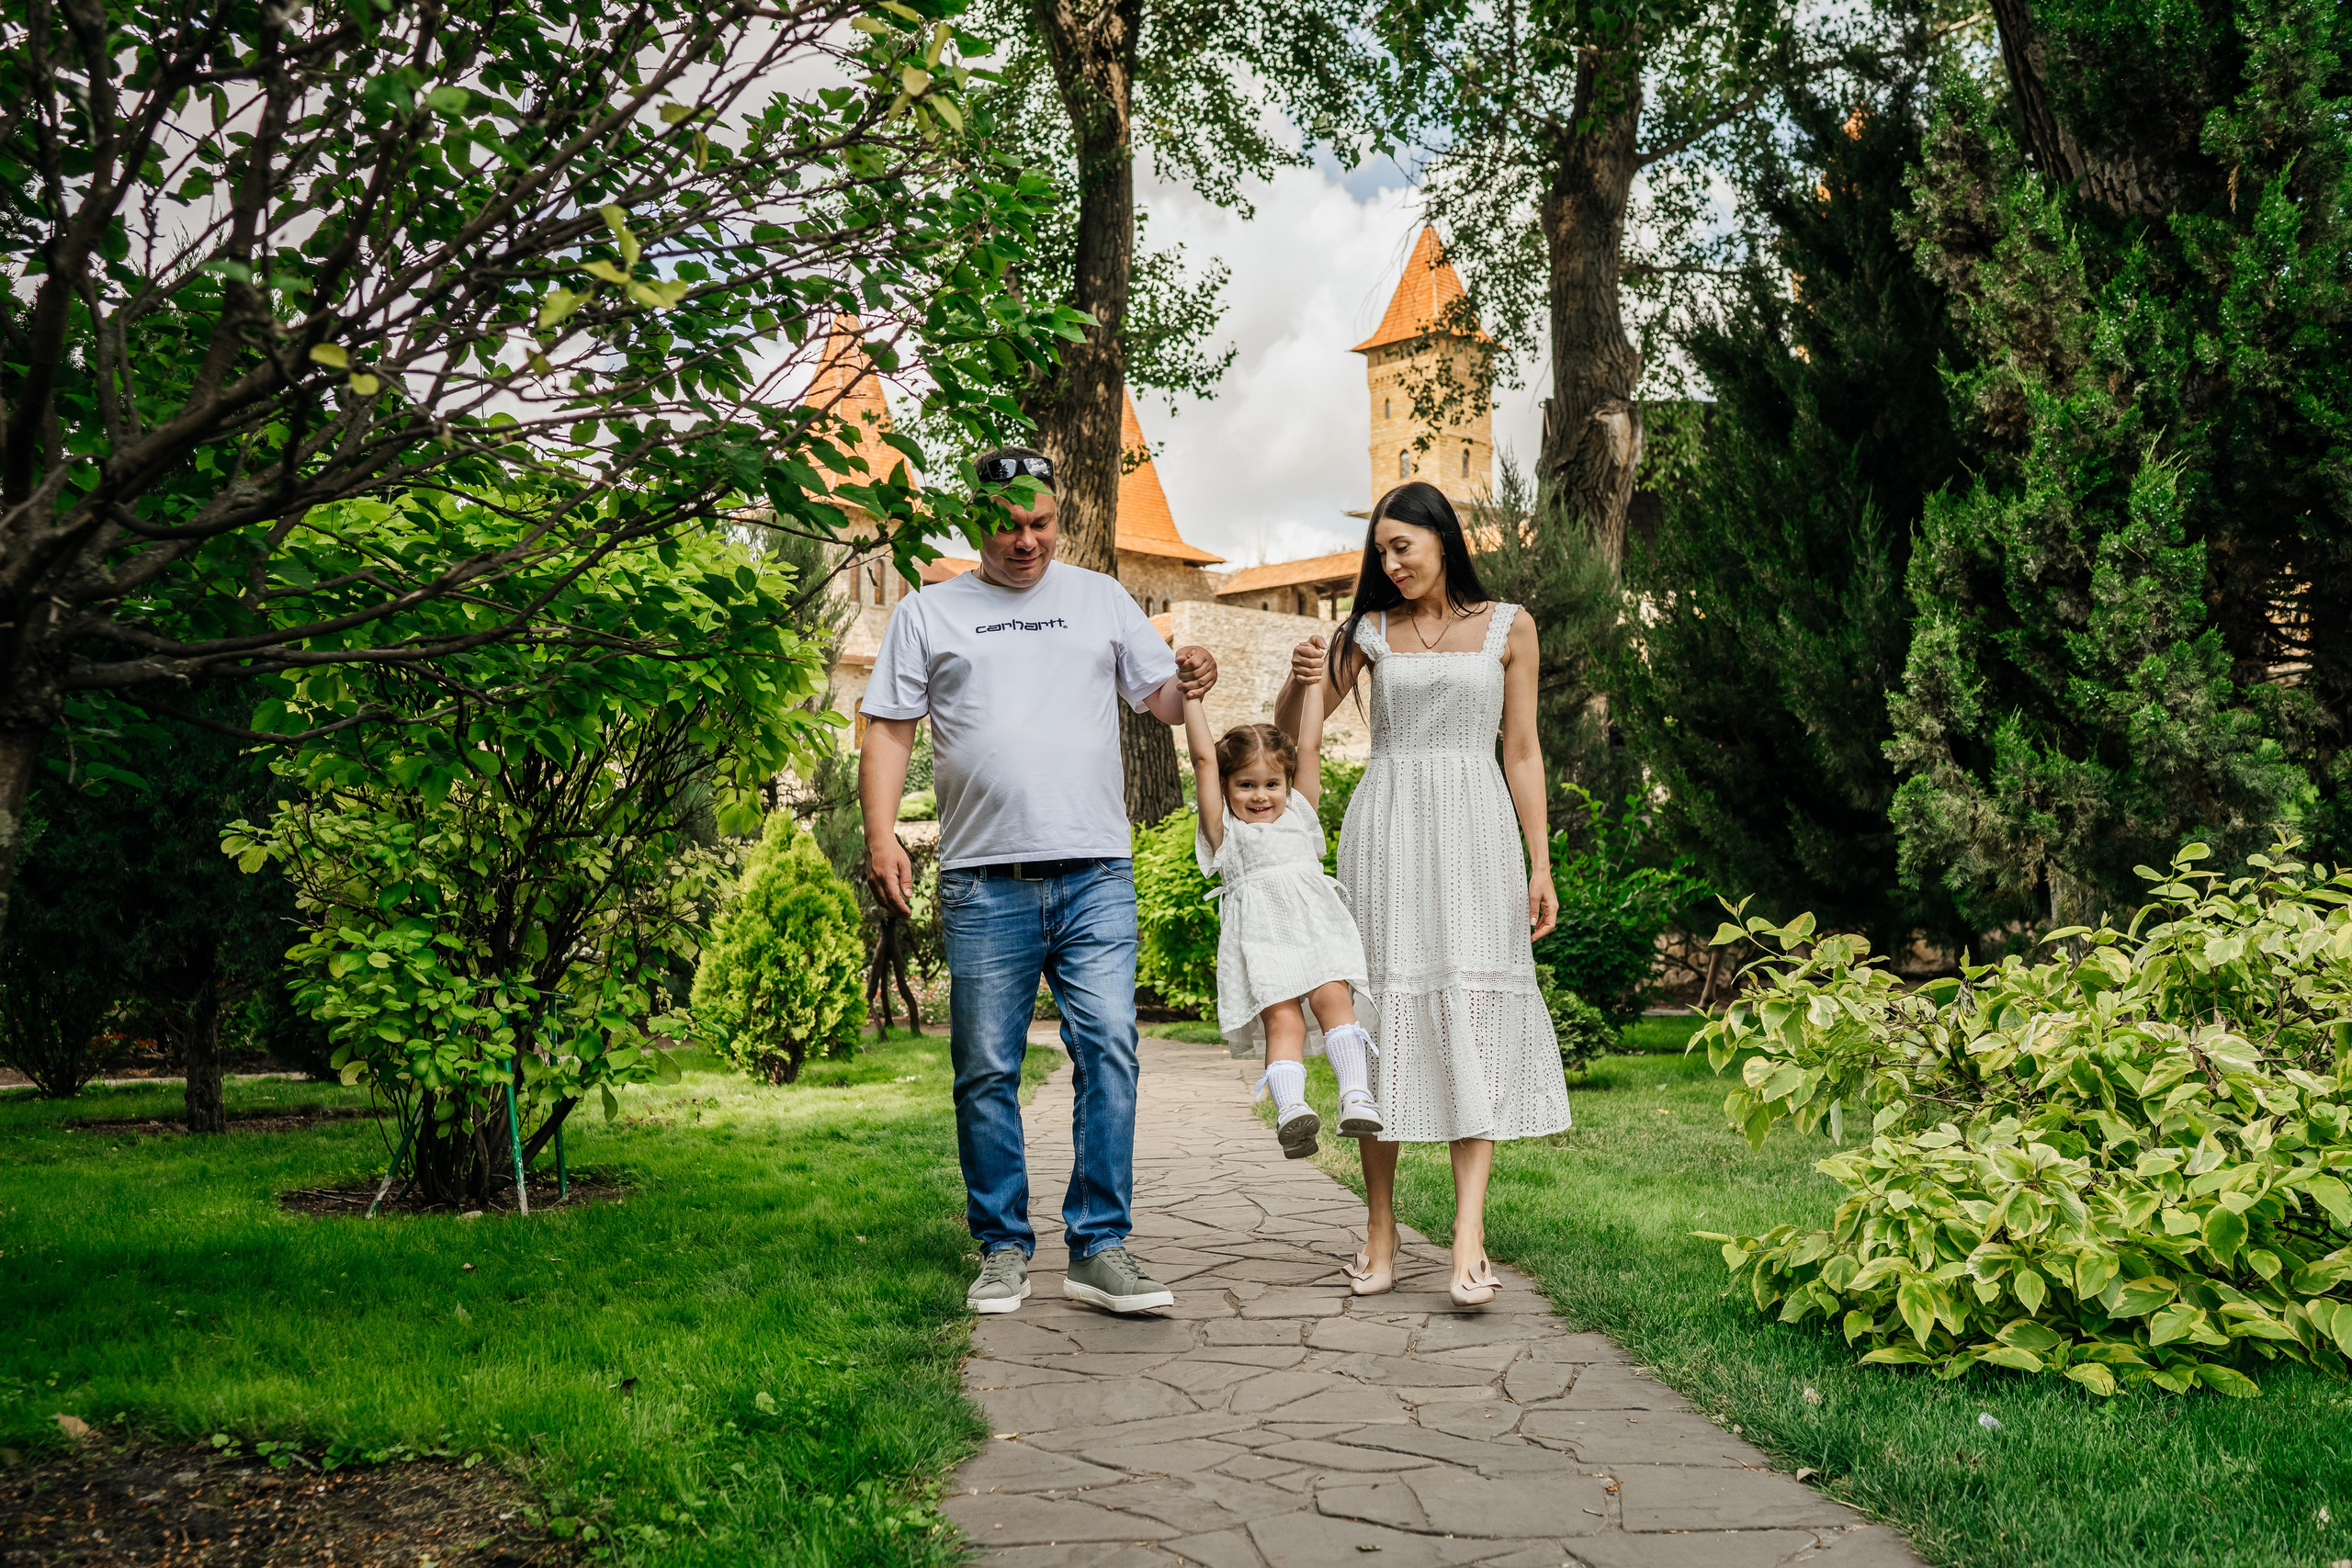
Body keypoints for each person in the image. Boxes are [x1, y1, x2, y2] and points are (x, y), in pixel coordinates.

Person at [860, 447, 1218, 1317]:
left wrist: (1190, 676)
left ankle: (1099, 1246)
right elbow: (889, 728)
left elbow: (1160, 699)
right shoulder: (929, 612)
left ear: (1060, 516)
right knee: (985, 1066)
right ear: (977, 520)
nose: (1026, 540)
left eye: (1041, 523)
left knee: (1110, 1049)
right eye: (1008, 524)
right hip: (986, 880)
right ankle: (1002, 1247)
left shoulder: (1099, 597)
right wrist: (881, 836)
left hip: (1096, 870)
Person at [1273, 479, 1571, 1307]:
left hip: (1477, 833)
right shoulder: (1365, 631)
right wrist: (1301, 678)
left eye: (1402, 545)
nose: (1391, 563)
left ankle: (1469, 1233)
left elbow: (1521, 750)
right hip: (1388, 831)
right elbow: (1294, 724)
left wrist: (1539, 862)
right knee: (1381, 1026)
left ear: (1443, 537)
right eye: (1381, 552)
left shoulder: (1510, 627)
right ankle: (1380, 1229)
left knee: (1471, 1017)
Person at [1181, 675, 1380, 1160]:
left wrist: (1314, 685)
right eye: (1245, 784)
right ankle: (1292, 1110)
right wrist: (1192, 700)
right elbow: (1204, 759)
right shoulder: (1224, 831)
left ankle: (1357, 1096)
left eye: (1272, 783)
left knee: (1334, 996)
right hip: (1262, 938)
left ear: (1287, 784)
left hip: (1316, 926)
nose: (1260, 795)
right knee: (1283, 1020)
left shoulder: (1299, 812)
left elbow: (1308, 745)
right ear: (1226, 788)